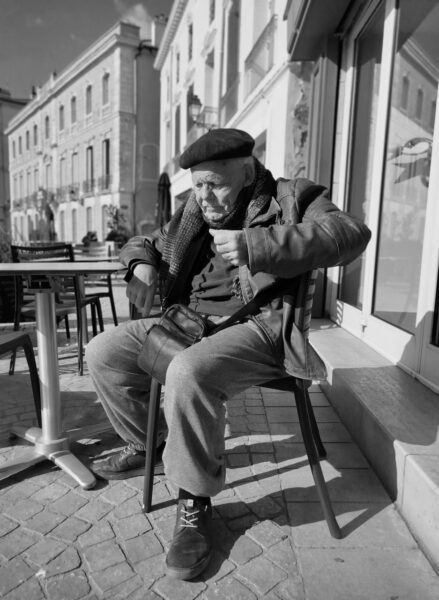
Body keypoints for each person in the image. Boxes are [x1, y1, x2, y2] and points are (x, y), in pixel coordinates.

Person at [85, 128, 371, 580]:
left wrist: (256, 246)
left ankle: (194, 501)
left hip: (259, 328)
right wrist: (141, 265)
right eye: (196, 185)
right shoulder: (191, 214)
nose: (203, 197)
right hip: (188, 322)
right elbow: (144, 242)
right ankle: (149, 444)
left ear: (247, 173)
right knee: (103, 351)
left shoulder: (292, 197)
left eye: (214, 184)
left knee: (188, 372)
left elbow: (351, 234)